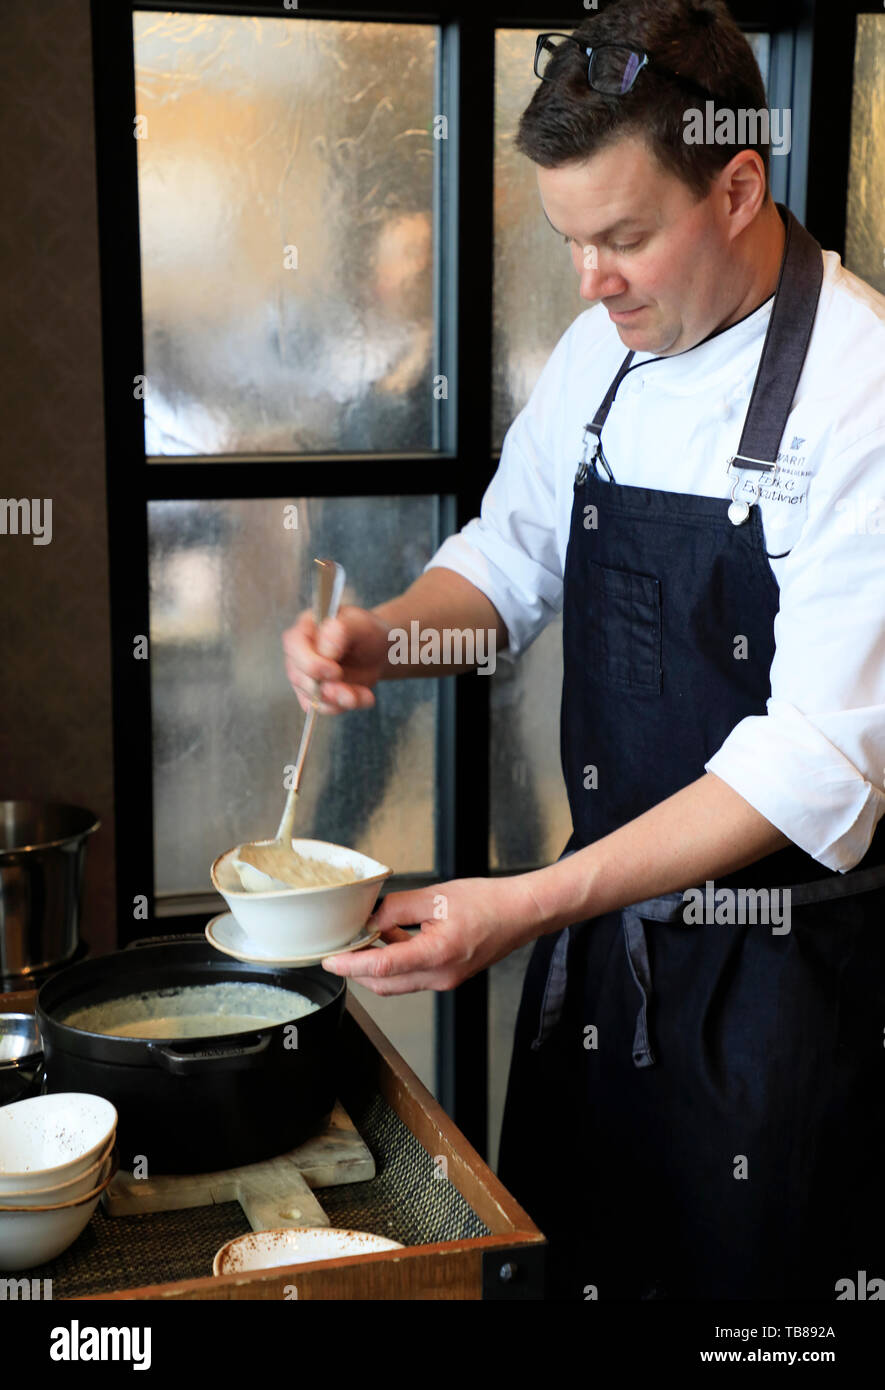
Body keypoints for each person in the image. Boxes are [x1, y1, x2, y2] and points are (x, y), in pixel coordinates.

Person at [281, 0, 885, 1300]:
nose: (589, 281)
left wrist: (525, 902)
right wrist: (386, 634)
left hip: (780, 996)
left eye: (621, 237)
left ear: (736, 186)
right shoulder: (600, 354)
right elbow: (503, 565)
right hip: (606, 954)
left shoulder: (860, 389)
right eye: (568, 242)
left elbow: (818, 761)